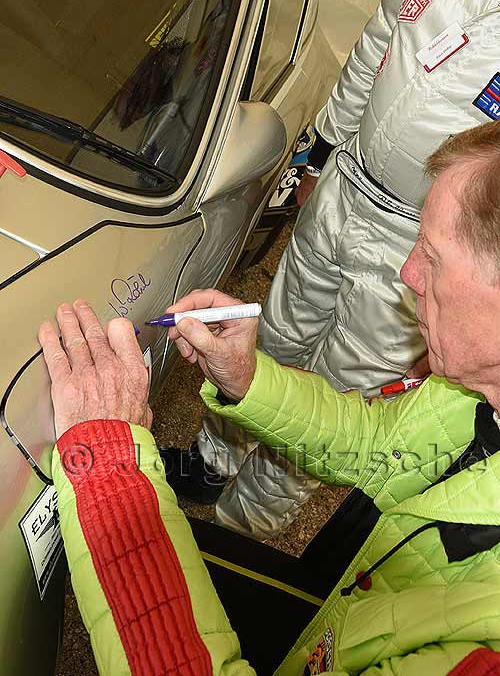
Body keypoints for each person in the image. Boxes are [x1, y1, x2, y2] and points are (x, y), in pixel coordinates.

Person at [46, 121, 500, 675]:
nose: (408, 274)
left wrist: (110, 472)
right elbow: (381, 446)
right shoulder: (475, 387)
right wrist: (246, 377)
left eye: (432, 256)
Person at [170, 0, 500, 539]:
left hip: (425, 244)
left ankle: (235, 534)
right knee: (274, 334)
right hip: (349, 182)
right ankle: (210, 463)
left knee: (334, 399)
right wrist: (323, 144)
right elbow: (384, 35)